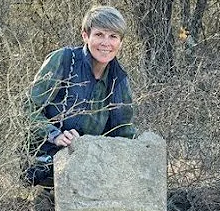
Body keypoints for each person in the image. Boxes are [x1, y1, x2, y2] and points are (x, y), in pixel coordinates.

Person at [21, 5, 137, 187]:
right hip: (45, 162)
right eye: (99, 35)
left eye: (113, 36)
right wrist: (55, 135)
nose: (106, 43)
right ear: (85, 36)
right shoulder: (64, 60)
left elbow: (124, 132)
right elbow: (27, 108)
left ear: (120, 42)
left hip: (90, 167)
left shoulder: (119, 79)